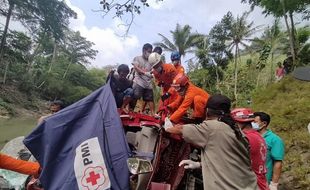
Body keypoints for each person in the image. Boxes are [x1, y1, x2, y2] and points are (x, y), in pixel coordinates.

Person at [166, 94, 258, 189]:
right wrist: (200, 164)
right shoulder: (235, 129)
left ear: (207, 111)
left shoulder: (211, 128)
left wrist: (167, 125)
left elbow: (178, 129)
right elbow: (229, 160)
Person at [231, 108, 268, 190]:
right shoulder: (257, 135)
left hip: (253, 183)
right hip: (261, 180)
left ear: (238, 122)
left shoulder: (246, 138)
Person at [253, 112, 285, 190]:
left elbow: (278, 162)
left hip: (264, 180)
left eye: (255, 122)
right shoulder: (251, 136)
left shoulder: (275, 140)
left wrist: (274, 184)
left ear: (264, 123)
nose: (252, 124)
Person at [130, 43, 155, 115]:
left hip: (148, 82)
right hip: (139, 81)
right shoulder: (137, 58)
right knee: (135, 96)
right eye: (149, 51)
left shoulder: (151, 61)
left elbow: (153, 70)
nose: (150, 53)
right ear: (144, 51)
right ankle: (131, 110)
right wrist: (144, 73)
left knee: (150, 98)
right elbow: (136, 67)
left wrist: (152, 73)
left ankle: (153, 113)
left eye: (151, 52)